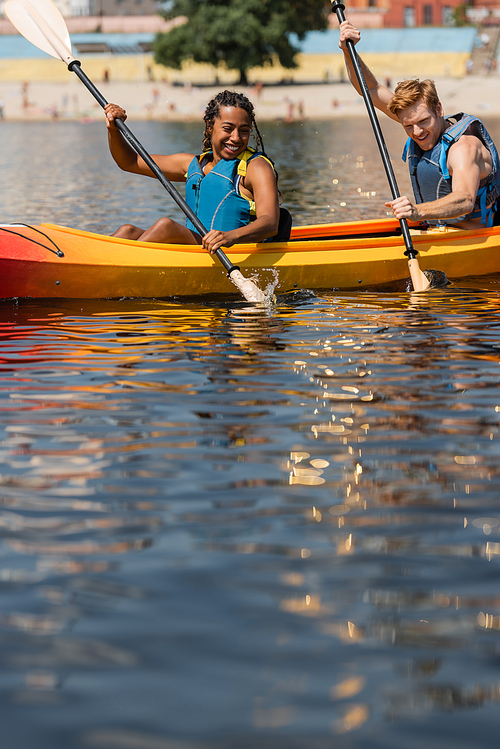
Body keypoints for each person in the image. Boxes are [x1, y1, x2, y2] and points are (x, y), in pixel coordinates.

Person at [339, 20, 500, 228]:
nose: (416, 132)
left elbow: (465, 200)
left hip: (475, 239)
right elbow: (369, 89)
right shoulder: (417, 121)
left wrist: (417, 211)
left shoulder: (464, 148)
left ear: (439, 110)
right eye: (407, 125)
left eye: (423, 121)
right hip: (435, 231)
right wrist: (347, 50)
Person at [105, 90, 290, 254]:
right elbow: (129, 161)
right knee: (126, 231)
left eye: (244, 131)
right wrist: (114, 129)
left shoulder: (256, 167)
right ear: (210, 126)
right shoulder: (193, 164)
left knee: (166, 227)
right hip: (200, 250)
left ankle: (118, 269)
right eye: (228, 129)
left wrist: (229, 237)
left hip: (232, 252)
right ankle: (100, 261)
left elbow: (270, 223)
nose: (235, 138)